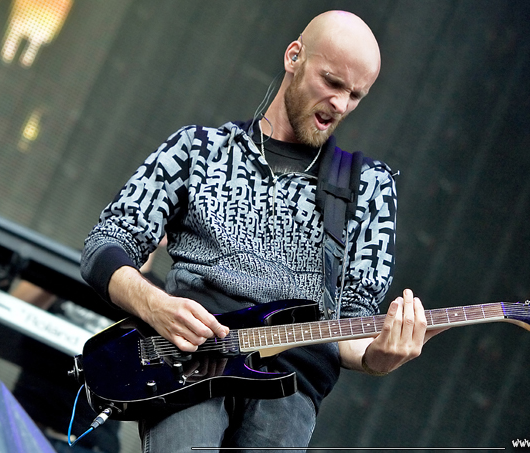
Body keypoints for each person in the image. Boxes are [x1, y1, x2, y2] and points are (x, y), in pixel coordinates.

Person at [80, 10, 441, 452]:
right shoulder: (199, 149)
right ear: (294, 57)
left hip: (290, 382)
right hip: (191, 357)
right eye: (332, 82)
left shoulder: (369, 186)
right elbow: (105, 244)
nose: (341, 104)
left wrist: (380, 356)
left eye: (356, 95)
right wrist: (155, 305)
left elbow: (352, 324)